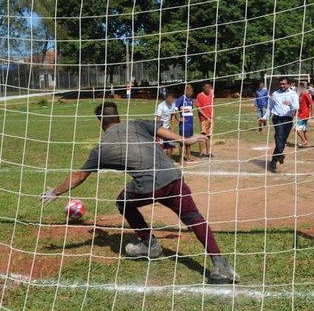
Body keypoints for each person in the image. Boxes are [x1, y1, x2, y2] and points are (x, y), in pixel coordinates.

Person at [40, 102, 240, 283]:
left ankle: (149, 244)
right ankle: (220, 264)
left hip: (150, 186)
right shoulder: (136, 124)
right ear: (119, 116)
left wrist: (55, 191)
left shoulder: (101, 149)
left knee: (122, 202)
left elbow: (80, 176)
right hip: (174, 177)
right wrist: (185, 140)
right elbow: (162, 131)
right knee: (195, 218)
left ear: (99, 121)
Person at [259, 77, 299, 173]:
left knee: (282, 140)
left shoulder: (293, 94)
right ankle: (273, 162)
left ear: (288, 84)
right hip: (277, 118)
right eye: (281, 84)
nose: (282, 85)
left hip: (288, 119)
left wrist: (290, 104)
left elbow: (297, 106)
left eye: (284, 84)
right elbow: (270, 107)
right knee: (279, 137)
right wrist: (264, 117)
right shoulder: (275, 94)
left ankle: (280, 154)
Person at [176, 84, 196, 162]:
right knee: (182, 141)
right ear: (185, 91)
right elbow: (174, 109)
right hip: (184, 125)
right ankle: (181, 158)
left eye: (191, 91)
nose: (190, 92)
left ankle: (188, 156)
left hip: (190, 124)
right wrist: (178, 118)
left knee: (189, 141)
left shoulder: (190, 99)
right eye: (189, 91)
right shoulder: (181, 99)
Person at [196, 82, 214, 158]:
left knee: (209, 136)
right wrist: (206, 117)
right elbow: (198, 108)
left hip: (211, 118)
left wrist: (212, 116)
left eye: (209, 87)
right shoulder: (200, 95)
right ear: (203, 87)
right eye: (206, 87)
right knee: (202, 135)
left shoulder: (211, 94)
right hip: (203, 119)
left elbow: (213, 106)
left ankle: (208, 152)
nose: (208, 89)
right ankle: (201, 153)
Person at [156, 92, 177, 158]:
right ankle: (160, 162)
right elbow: (158, 118)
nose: (171, 100)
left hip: (168, 129)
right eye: (169, 98)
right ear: (166, 98)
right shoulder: (161, 106)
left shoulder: (173, 104)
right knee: (160, 147)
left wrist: (173, 127)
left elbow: (173, 115)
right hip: (161, 129)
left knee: (171, 146)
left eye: (172, 99)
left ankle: (169, 161)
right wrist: (158, 130)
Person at [295, 83, 314, 148]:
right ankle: (307, 143)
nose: (298, 89)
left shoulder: (305, 94)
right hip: (301, 114)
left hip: (304, 114)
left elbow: (312, 103)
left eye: (298, 87)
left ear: (301, 87)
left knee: (296, 128)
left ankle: (304, 141)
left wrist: (312, 113)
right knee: (304, 130)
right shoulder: (300, 95)